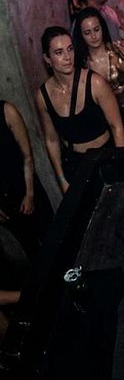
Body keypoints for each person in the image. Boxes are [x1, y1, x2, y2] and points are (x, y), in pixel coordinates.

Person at [36, 27, 124, 193]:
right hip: (75, 165)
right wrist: (62, 180)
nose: (67, 57)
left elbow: (117, 127)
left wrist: (120, 167)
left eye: (70, 49)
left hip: (105, 157)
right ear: (47, 59)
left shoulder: (95, 83)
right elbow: (52, 140)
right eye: (59, 52)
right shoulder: (43, 96)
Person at [71, 6, 124, 145]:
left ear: (103, 28)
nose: (93, 36)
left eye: (96, 30)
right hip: (100, 121)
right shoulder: (81, 63)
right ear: (81, 35)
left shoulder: (117, 50)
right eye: (87, 33)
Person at [0, 99, 53, 262]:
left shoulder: (7, 111)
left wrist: (29, 195)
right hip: (5, 203)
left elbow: (27, 157)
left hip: (26, 187)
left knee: (52, 238)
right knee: (31, 250)